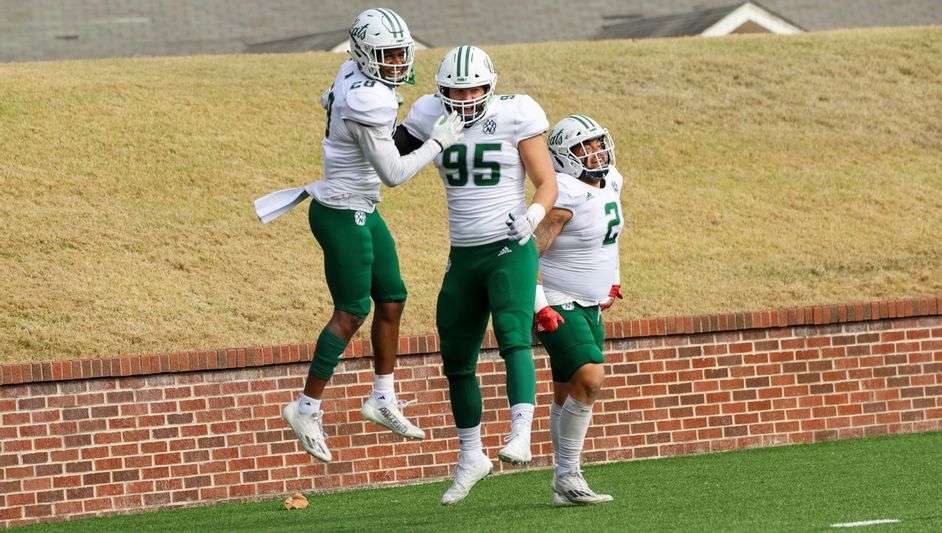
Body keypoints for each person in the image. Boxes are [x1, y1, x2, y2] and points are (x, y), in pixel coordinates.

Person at [263, 8, 464, 463]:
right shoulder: (368, 98)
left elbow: (326, 98)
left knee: (392, 299)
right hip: (340, 211)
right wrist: (438, 141)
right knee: (352, 311)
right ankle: (305, 407)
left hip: (360, 207)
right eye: (387, 54)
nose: (396, 62)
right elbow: (393, 173)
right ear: (363, 53)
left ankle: (382, 398)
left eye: (399, 53)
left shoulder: (350, 72)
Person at [394, 45, 558, 504]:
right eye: (454, 90)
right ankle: (471, 456)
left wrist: (534, 214)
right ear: (439, 90)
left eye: (474, 88)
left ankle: (520, 432)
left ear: (492, 85)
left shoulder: (515, 112)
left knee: (512, 335)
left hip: (510, 245)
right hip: (463, 254)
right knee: (456, 358)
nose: (464, 97)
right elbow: (387, 153)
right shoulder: (428, 112)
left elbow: (547, 180)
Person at [532, 114, 624, 505]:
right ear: (563, 157)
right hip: (558, 301)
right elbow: (528, 251)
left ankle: (561, 484)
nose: (595, 152)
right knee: (589, 379)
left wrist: (613, 279)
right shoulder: (565, 193)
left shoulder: (612, 180)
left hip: (590, 304)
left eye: (598, 143)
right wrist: (538, 306)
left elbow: (608, 240)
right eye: (583, 148)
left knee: (565, 392)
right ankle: (569, 476)